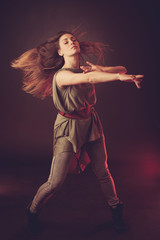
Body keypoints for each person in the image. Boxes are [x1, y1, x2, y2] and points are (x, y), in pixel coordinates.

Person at [11, 28, 143, 234]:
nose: (72, 42)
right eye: (66, 42)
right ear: (60, 52)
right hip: (68, 128)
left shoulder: (85, 70)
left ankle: (116, 210)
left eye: (73, 39)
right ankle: (32, 211)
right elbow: (92, 79)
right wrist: (116, 76)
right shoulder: (62, 76)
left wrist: (102, 68)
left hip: (90, 123)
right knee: (55, 182)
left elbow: (123, 68)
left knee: (103, 170)